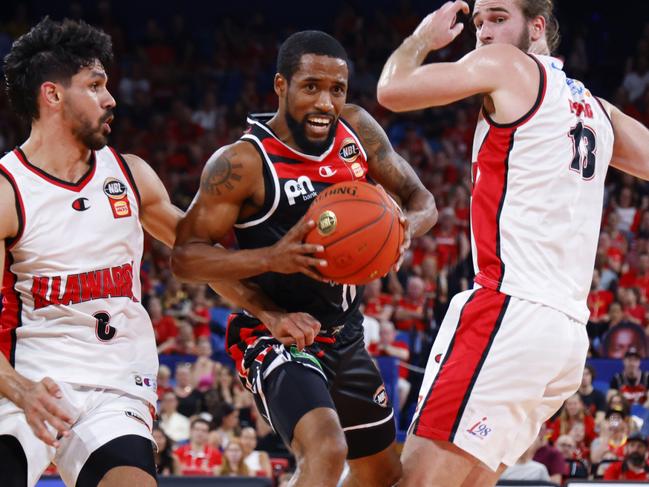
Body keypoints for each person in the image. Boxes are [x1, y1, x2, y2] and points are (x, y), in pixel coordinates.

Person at [377, 0, 649, 485]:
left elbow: (392, 90)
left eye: (499, 18)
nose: (483, 32)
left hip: (509, 312)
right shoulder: (598, 111)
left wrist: (422, 38)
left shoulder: (506, 64)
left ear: (537, 26)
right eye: (478, 22)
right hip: (565, 338)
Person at [171, 30, 437, 487]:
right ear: (281, 85)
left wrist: (401, 230)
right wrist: (271, 262)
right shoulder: (243, 163)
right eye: (311, 86)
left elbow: (421, 199)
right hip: (275, 329)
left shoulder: (356, 129)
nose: (325, 103)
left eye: (337, 89)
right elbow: (186, 258)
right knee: (326, 448)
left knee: (382, 474)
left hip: (345, 334)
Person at [0, 18, 182, 487]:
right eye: (95, 85)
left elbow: (202, 255)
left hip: (112, 383)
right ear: (53, 95)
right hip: (23, 380)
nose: (110, 99)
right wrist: (21, 391)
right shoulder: (8, 193)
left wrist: (272, 286)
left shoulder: (131, 174)